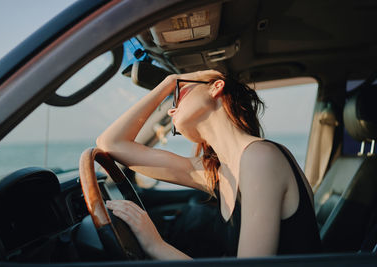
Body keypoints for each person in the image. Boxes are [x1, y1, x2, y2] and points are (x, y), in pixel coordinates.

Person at [96, 70, 322, 259]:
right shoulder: (216, 172)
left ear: (216, 87)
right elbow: (110, 143)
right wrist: (169, 82)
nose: (171, 109)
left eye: (179, 94)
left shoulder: (261, 157)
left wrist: (156, 245)